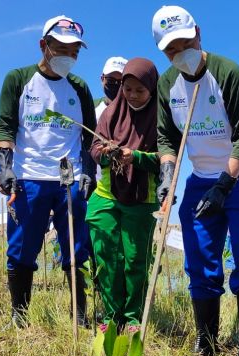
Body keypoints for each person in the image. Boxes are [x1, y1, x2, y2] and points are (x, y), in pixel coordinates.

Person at [151, 6, 239, 356]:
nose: (180, 54)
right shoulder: (166, 84)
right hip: (201, 178)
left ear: (198, 33)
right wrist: (167, 177)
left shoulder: (227, 72)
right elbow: (166, 138)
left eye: (185, 43)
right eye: (171, 50)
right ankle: (206, 340)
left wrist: (225, 184)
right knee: (200, 257)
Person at [0, 15, 97, 327]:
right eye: (62, 48)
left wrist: (89, 170)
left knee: (76, 248)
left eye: (75, 50)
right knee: (22, 246)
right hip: (30, 177)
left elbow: (89, 135)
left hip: (69, 181)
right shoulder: (18, 79)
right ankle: (19, 315)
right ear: (44, 45)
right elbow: (5, 127)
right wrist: (6, 167)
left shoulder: (79, 88)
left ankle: (79, 316)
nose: (69, 55)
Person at [87, 58, 160, 333]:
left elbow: (167, 157)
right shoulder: (109, 114)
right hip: (106, 194)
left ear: (152, 89)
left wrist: (137, 156)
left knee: (135, 260)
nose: (132, 95)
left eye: (139, 91)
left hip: (142, 197)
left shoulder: (160, 116)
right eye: (127, 89)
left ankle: (132, 316)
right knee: (107, 258)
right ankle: (111, 314)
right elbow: (94, 147)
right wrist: (105, 153)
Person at [94, 57, 128, 121]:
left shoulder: (135, 111)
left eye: (121, 81)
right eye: (110, 80)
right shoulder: (91, 106)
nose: (116, 84)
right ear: (102, 79)